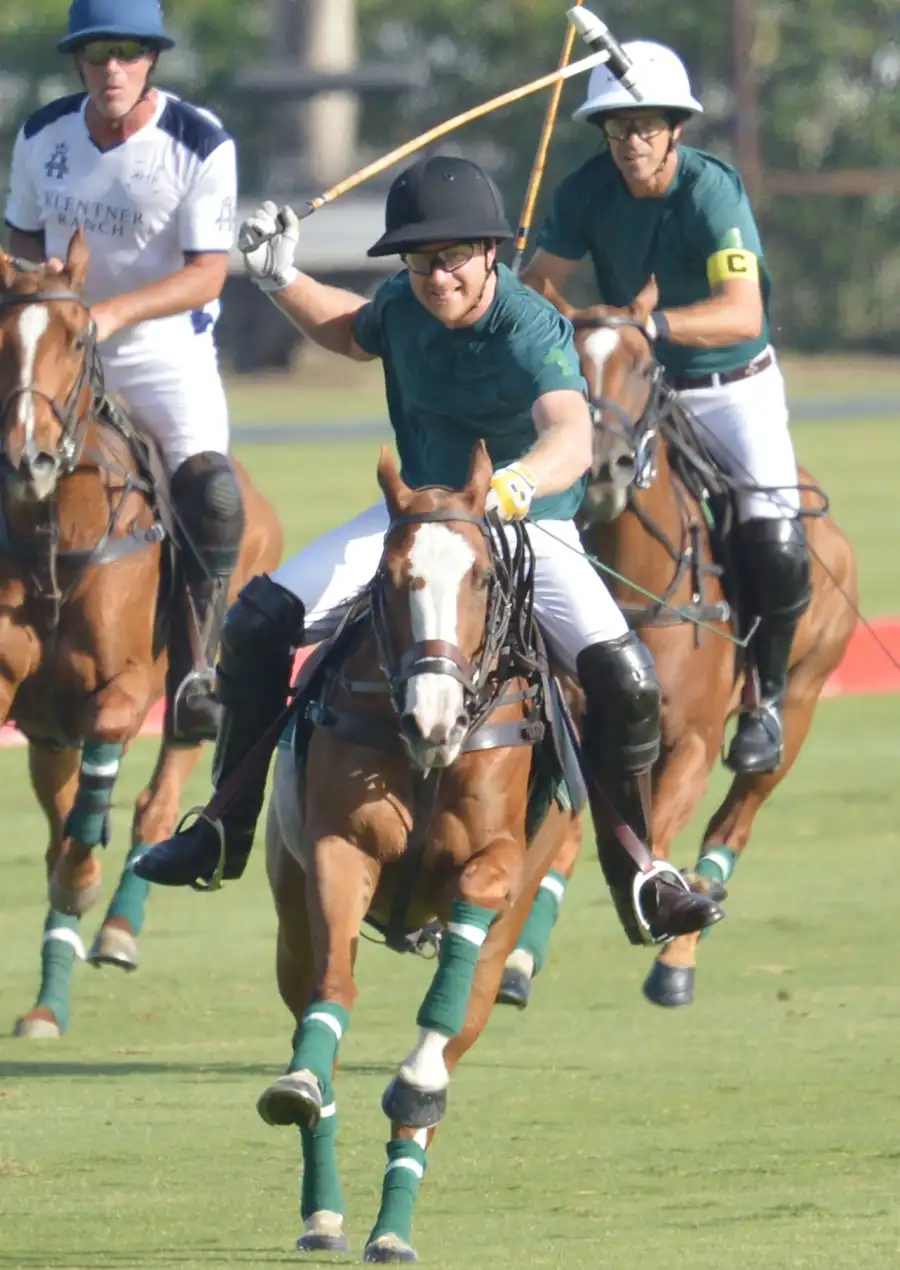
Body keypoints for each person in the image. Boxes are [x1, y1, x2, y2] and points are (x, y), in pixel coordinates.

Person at [133, 152, 724, 946]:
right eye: (419, 261)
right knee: (254, 622)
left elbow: (571, 430)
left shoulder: (527, 322)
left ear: (490, 254)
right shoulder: (406, 305)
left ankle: (640, 876)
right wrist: (279, 276)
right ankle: (224, 828)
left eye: (450, 259)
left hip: (523, 528)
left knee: (624, 679)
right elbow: (351, 330)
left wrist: (515, 488)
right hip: (412, 522)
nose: (436, 277)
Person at [523, 41, 811, 776]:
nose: (631, 144)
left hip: (730, 388)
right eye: (618, 130)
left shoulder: (712, 192)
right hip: (630, 388)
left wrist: (645, 326)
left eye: (646, 127)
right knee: (545, 513)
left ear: (676, 129)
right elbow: (538, 284)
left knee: (774, 537)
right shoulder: (585, 192)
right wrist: (568, 318)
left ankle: (765, 698)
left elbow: (742, 313)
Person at [3, 0, 244, 744]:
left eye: (129, 53)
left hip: (162, 355)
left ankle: (198, 670)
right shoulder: (43, 133)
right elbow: (18, 244)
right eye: (99, 52)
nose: (113, 68)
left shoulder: (199, 141)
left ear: (152, 61)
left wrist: (114, 314)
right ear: (78, 60)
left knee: (213, 493)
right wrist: (34, 286)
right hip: (51, 348)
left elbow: (208, 275)